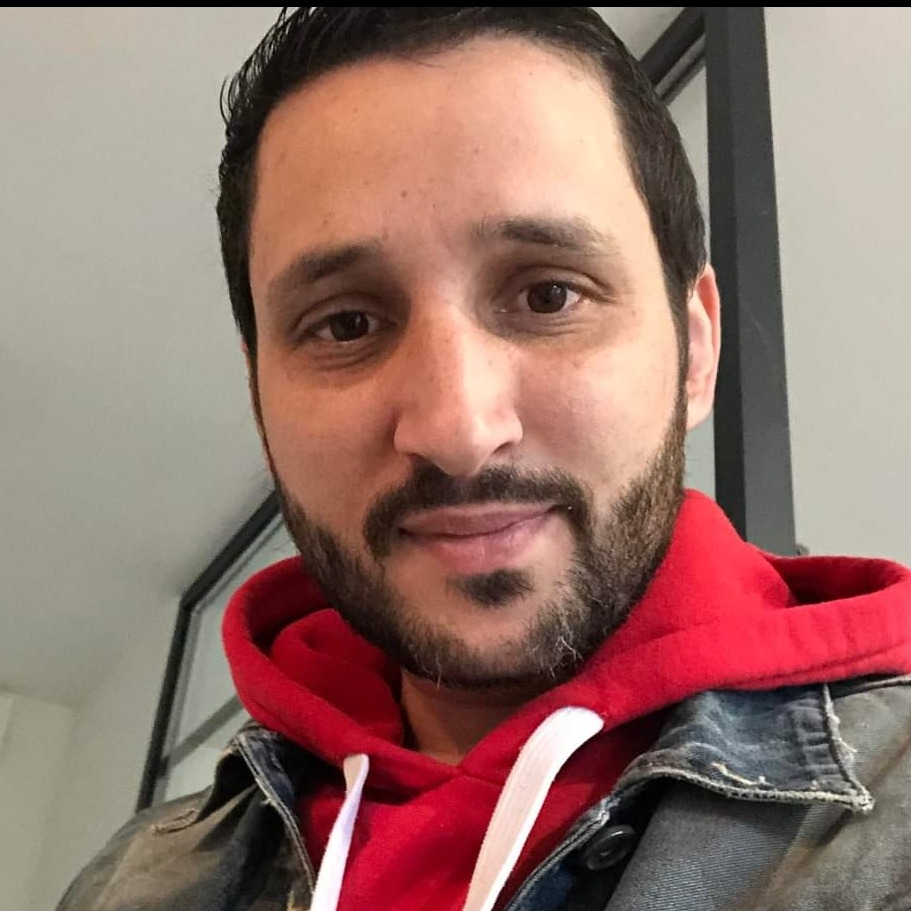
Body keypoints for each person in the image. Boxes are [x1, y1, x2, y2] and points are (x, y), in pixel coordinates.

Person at [59, 7, 911, 911]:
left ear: (694, 350)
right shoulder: (132, 880)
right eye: (345, 323)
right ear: (258, 392)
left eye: (549, 295)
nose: (457, 428)